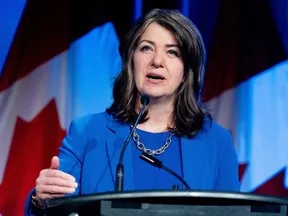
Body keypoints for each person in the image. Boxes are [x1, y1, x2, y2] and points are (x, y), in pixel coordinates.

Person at [25, 8, 240, 215]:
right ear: (130, 60)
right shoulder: (87, 133)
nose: (157, 61)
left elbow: (233, 215)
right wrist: (41, 200)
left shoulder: (217, 141)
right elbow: (56, 206)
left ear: (186, 71)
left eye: (172, 52)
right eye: (147, 48)